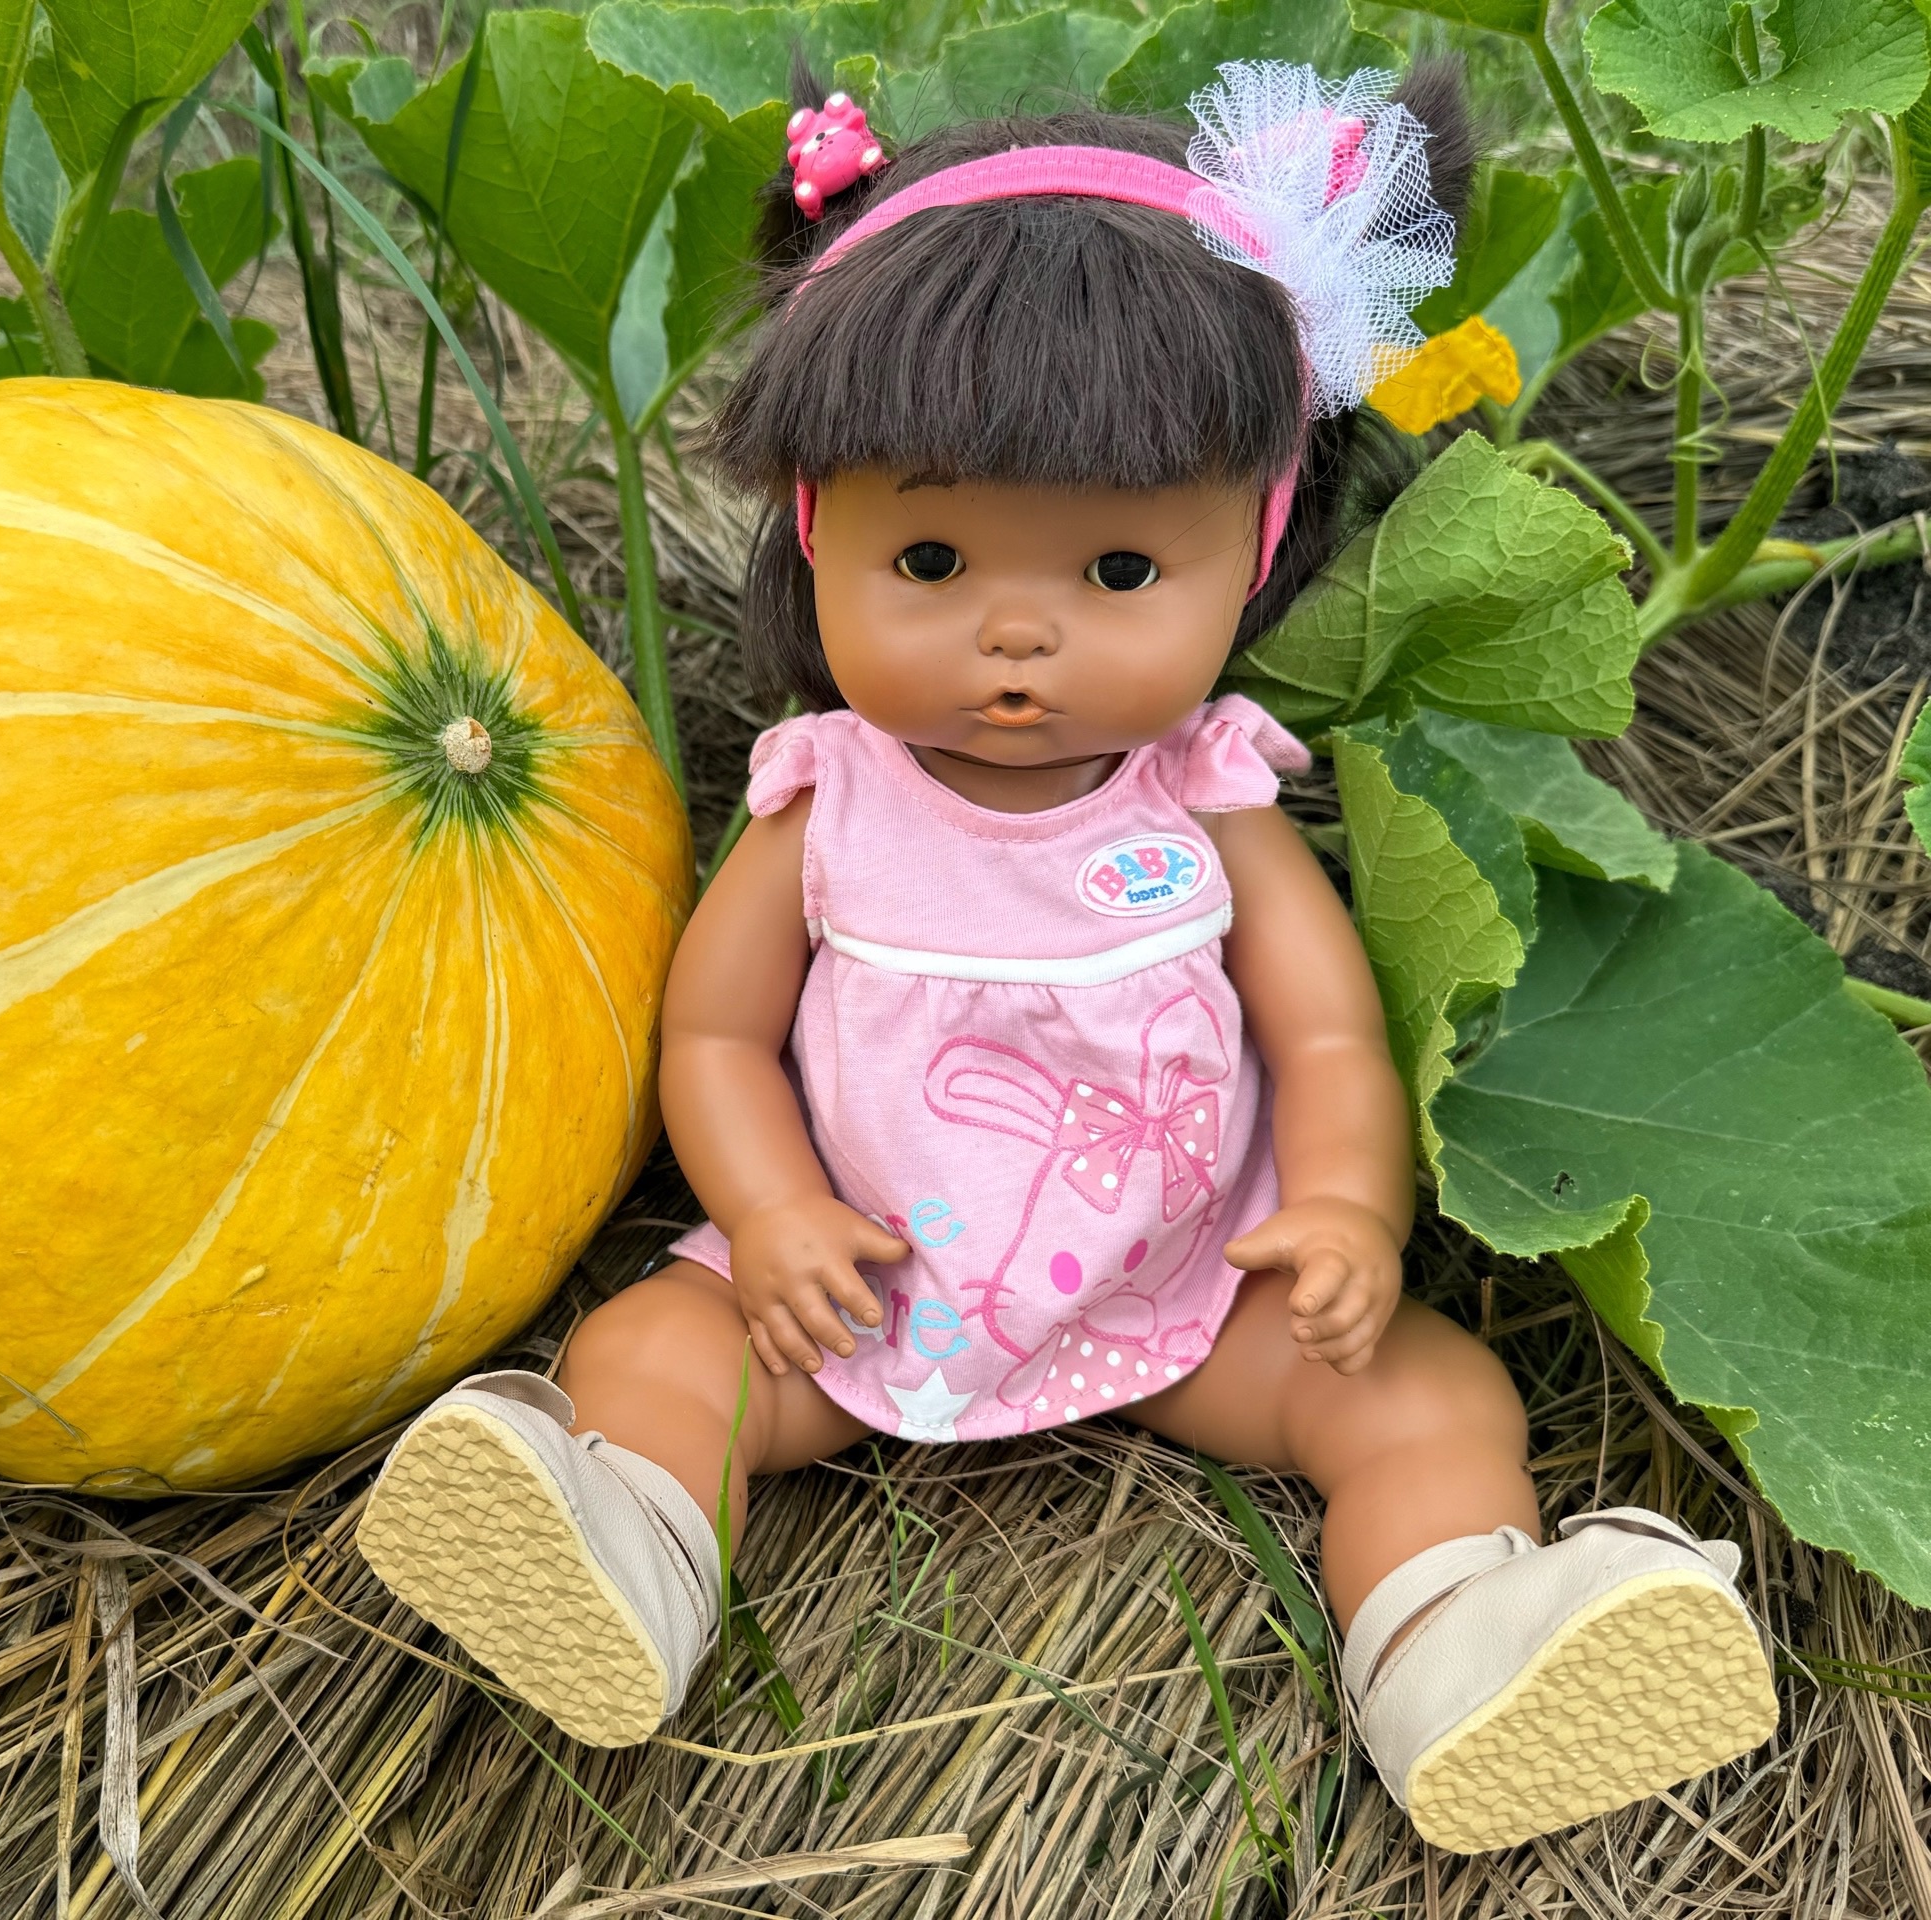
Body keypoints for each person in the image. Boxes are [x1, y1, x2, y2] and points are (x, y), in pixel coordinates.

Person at [356, 59, 1777, 1854]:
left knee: (1425, 1393)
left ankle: (1458, 1642)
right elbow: (712, 1038)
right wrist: (775, 1219)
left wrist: (1346, 1211)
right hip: (864, 1291)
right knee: (662, 1341)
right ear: (819, 534)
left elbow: (1328, 1041)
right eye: (932, 556)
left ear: (1254, 554)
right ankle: (625, 1550)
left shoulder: (1211, 795)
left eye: (1116, 572)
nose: (1015, 635)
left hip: (1185, 1291)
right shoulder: (825, 799)